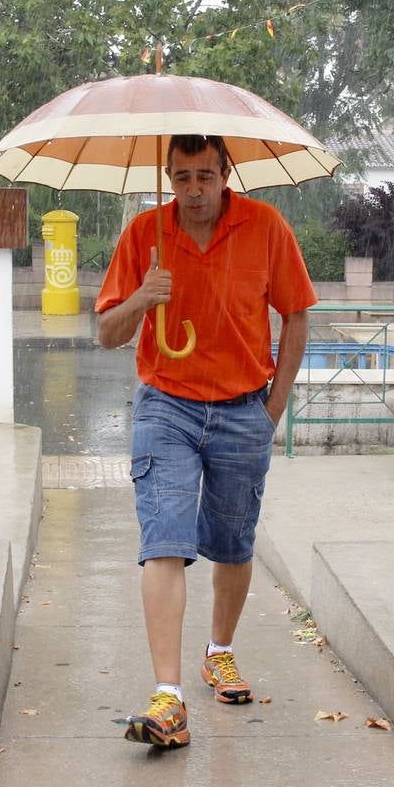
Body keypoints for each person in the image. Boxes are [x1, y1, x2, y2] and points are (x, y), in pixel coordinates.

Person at [95, 133, 314, 749]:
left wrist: (273, 408)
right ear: (168, 176)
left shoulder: (265, 227)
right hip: (167, 404)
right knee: (164, 536)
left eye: (205, 177)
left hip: (244, 407)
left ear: (226, 175)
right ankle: (169, 699)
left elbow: (297, 312)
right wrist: (144, 295)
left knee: (232, 541)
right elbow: (106, 333)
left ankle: (219, 651)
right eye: (182, 177)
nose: (193, 191)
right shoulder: (145, 235)